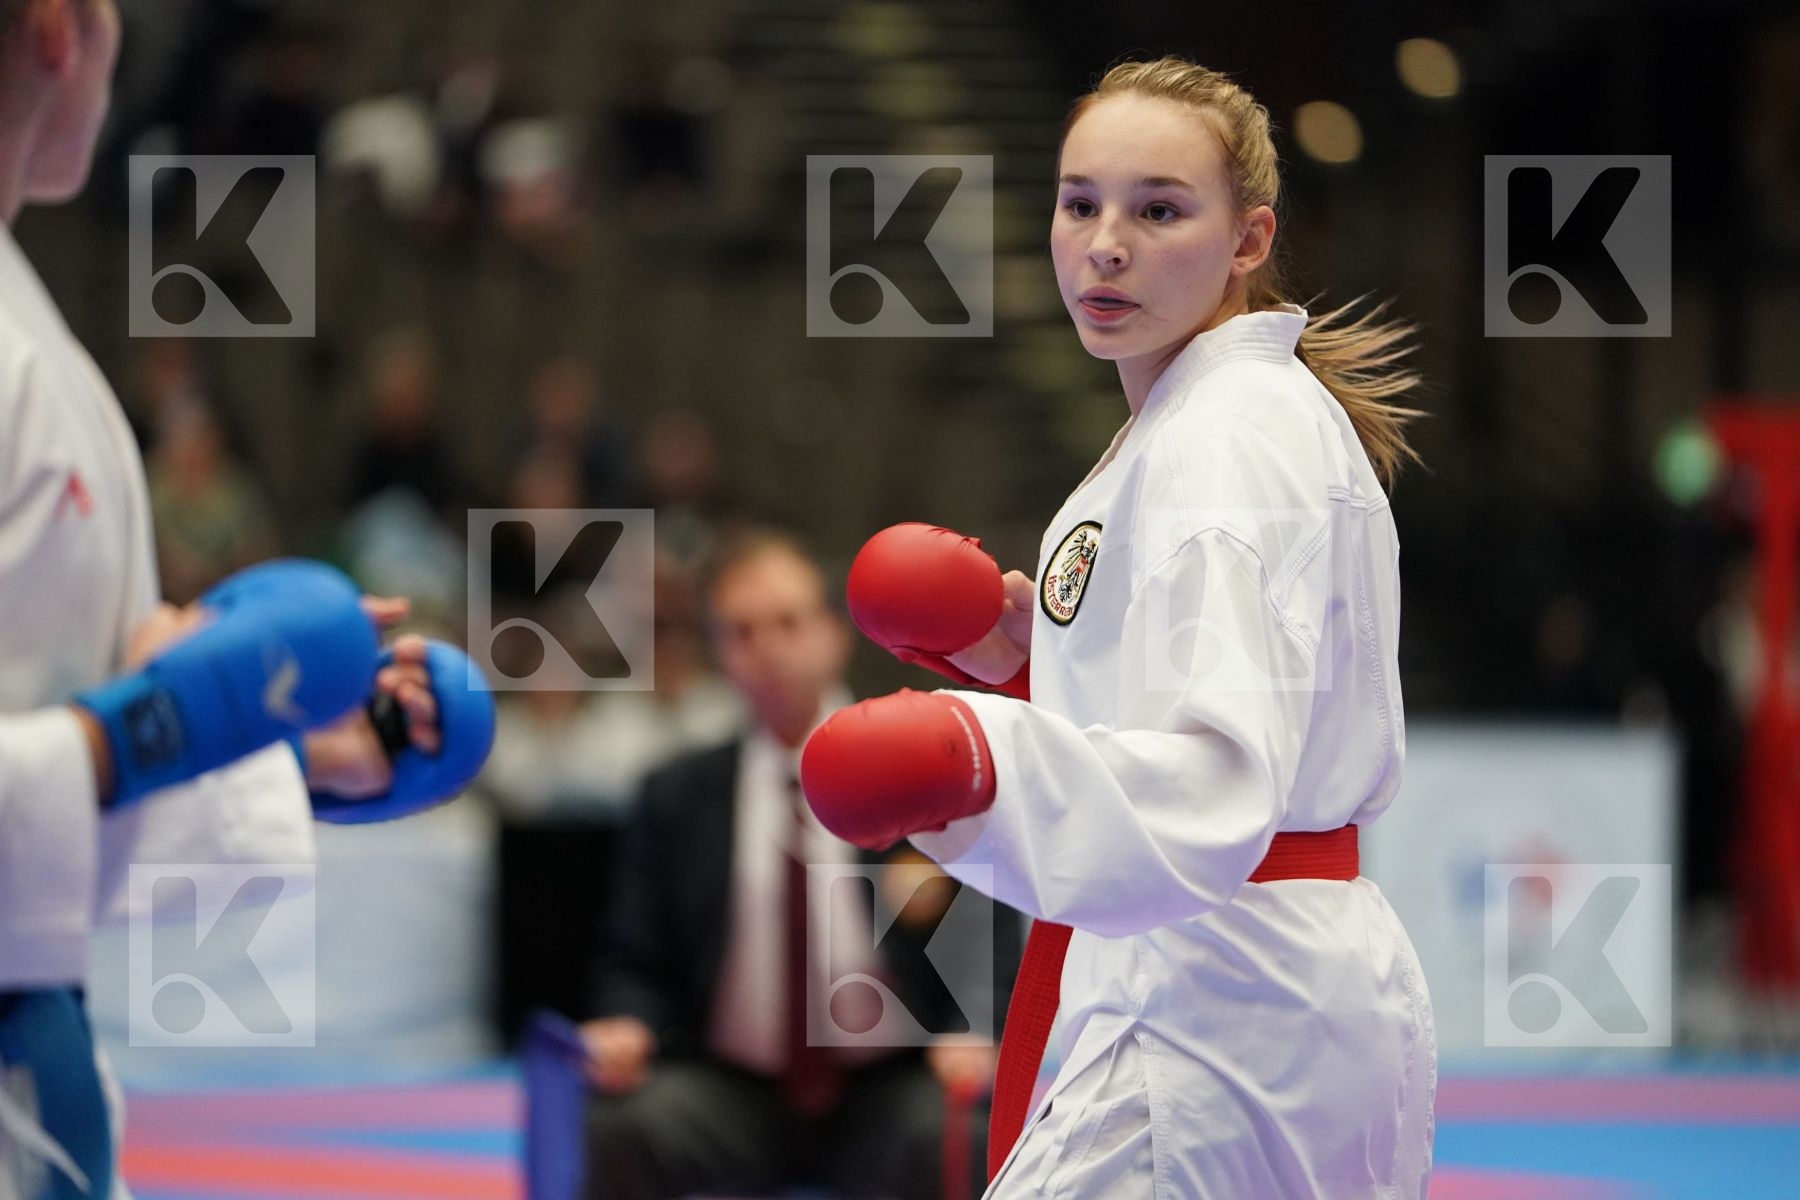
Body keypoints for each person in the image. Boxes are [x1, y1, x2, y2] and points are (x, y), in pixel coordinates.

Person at [802, 58, 1437, 1197]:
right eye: (1080, 201)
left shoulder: (1222, 435)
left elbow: (1218, 777)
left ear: (1248, 240)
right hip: (1257, 991)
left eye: (1158, 210)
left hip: (1215, 1003)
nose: (1105, 242)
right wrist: (1031, 661)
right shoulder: (1213, 414)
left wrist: (976, 760)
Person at [0, 4, 491, 1197]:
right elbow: (94, 738)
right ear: (63, 25)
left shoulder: (25, 313)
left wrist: (282, 748)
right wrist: (159, 727)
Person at [581, 529, 1021, 1200]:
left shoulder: (918, 763)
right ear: (718, 653)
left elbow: (986, 916)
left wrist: (975, 1030)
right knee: (621, 1124)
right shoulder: (677, 794)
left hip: (888, 1090)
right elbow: (631, 956)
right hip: (733, 1090)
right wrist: (627, 1024)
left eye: (788, 622)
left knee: (953, 1131)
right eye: (741, 631)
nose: (769, 649)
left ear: (833, 632)